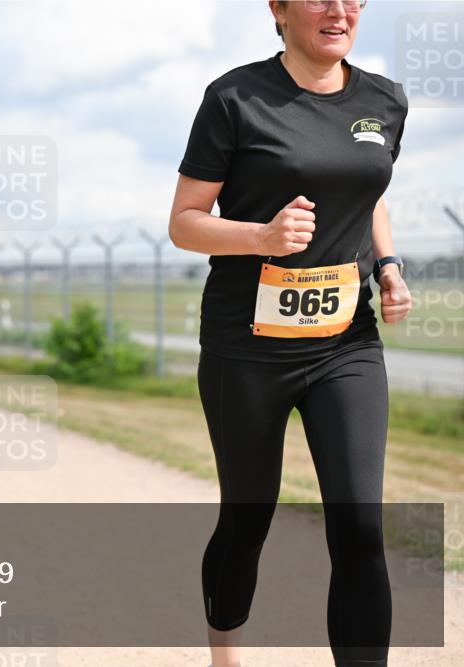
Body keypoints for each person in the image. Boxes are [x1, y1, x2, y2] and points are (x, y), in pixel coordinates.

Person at [168, 2, 412, 666]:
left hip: (346, 342)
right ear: (278, 7)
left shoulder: (385, 101)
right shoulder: (235, 98)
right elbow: (185, 220)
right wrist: (261, 237)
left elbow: (368, 191)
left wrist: (386, 265)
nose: (338, 10)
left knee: (361, 525)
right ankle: (225, 653)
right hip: (245, 348)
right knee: (248, 519)